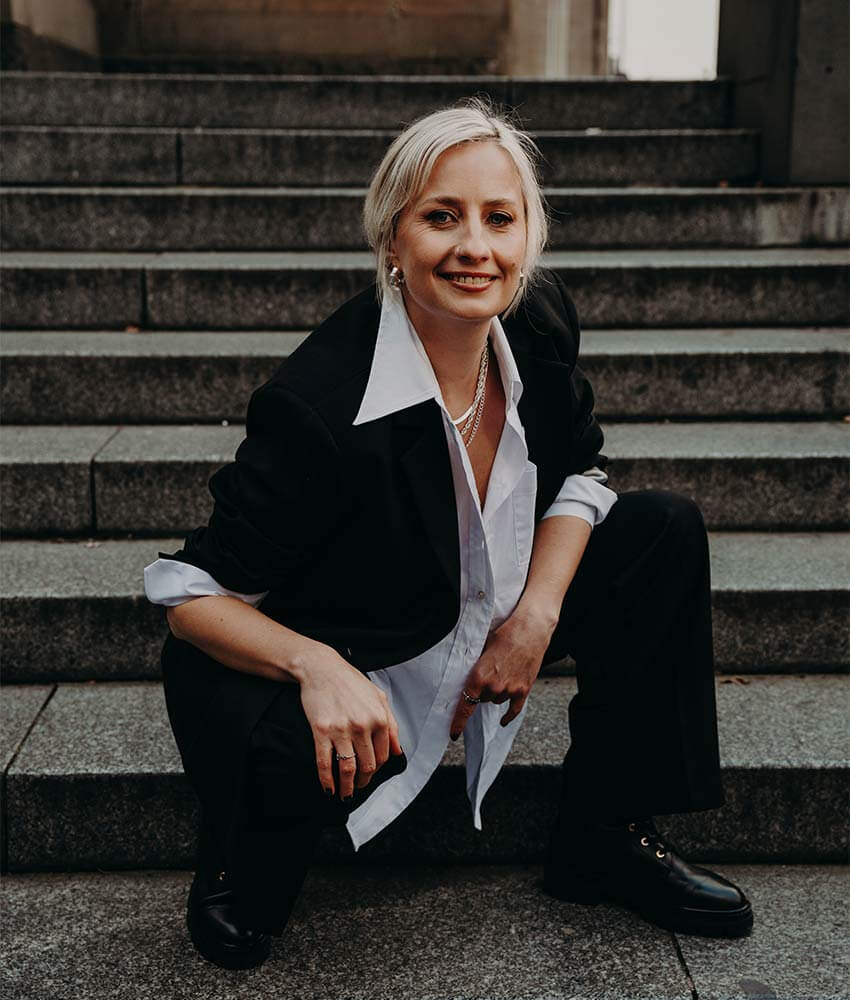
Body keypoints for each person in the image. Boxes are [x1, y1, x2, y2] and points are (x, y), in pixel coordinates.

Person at [144, 99, 753, 971]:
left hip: (483, 605)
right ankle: (244, 846)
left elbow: (581, 472)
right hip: (355, 650)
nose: (476, 247)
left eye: (499, 218)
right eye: (442, 216)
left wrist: (536, 616)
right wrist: (320, 669)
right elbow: (189, 595)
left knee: (660, 531)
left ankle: (605, 836)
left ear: (527, 237)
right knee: (293, 756)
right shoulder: (319, 404)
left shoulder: (537, 327)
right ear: (393, 239)